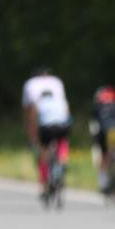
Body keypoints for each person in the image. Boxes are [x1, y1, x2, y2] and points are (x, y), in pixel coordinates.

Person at [22, 68, 71, 196]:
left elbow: (30, 113)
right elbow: (66, 112)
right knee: (62, 142)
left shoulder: (31, 85)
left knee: (43, 149)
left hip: (46, 127)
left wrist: (32, 137)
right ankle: (62, 162)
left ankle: (44, 184)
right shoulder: (57, 83)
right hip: (62, 125)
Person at [89, 86, 115, 193]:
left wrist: (94, 139)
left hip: (104, 132)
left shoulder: (97, 108)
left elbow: (94, 126)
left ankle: (103, 183)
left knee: (103, 155)